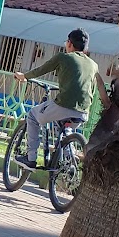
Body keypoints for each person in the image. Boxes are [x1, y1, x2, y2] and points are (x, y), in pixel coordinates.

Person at [14, 29, 98, 166]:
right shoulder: (94, 65)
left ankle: (30, 158)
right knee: (65, 129)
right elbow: (90, 89)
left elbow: (41, 70)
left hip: (64, 105)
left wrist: (24, 77)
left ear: (69, 43)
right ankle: (69, 162)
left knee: (32, 116)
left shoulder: (63, 57)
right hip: (83, 112)